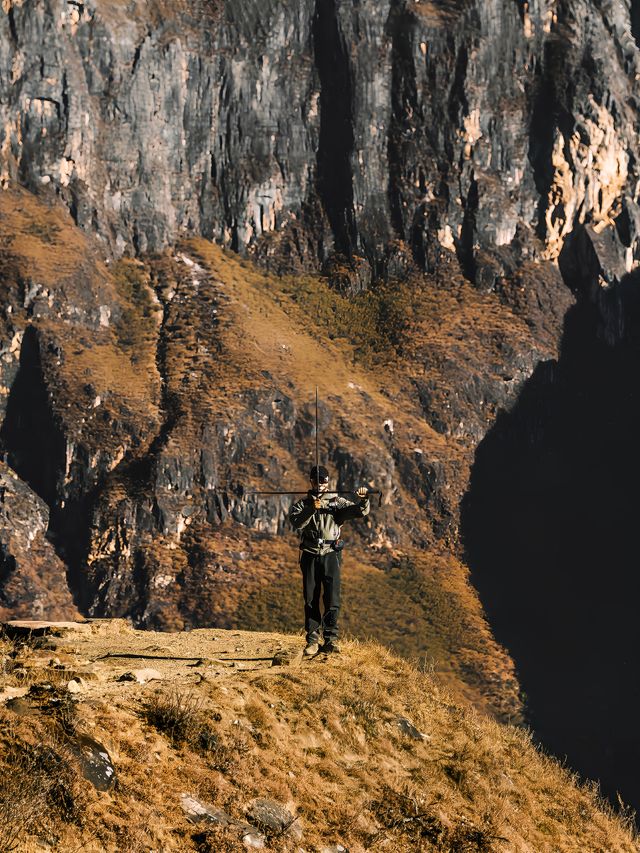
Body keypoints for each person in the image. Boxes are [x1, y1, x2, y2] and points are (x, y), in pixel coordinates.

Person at [289, 465, 370, 655]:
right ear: (311, 481)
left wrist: (364, 498)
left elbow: (359, 511)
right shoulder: (302, 504)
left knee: (332, 599)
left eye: (323, 480)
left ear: (328, 482)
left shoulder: (337, 502)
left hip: (331, 554)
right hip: (309, 554)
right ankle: (312, 640)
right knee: (311, 598)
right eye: (316, 480)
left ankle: (331, 640)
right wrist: (311, 509)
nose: (320, 484)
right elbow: (297, 523)